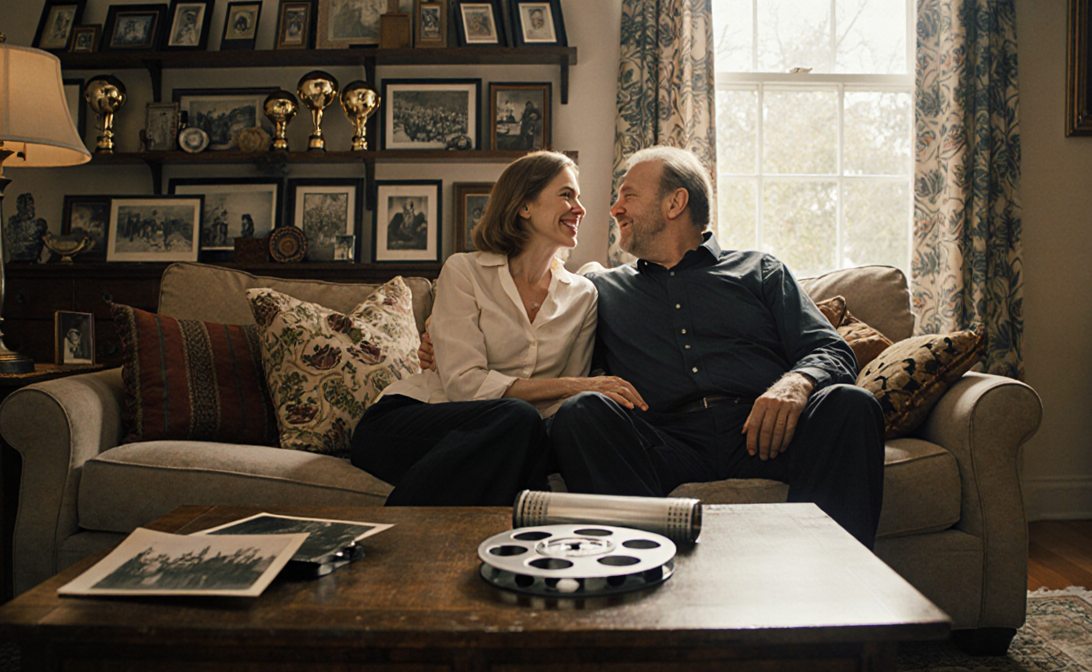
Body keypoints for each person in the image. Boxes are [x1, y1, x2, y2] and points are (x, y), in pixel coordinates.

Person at [420, 147, 884, 547]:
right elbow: (546, 341)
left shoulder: (760, 271)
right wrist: (439, 342)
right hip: (666, 441)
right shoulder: (599, 288)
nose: (614, 209)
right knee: (583, 414)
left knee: (849, 403)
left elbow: (831, 349)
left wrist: (797, 384)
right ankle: (644, 574)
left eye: (628, 196)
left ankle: (835, 596)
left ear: (675, 203)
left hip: (766, 432)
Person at [349, 151, 646, 507]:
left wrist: (578, 393)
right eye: (566, 195)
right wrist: (580, 385)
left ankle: (413, 542)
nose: (579, 208)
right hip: (411, 422)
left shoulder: (582, 295)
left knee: (525, 430)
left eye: (577, 197)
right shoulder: (465, 271)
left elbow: (561, 408)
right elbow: (464, 384)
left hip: (510, 437)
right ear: (524, 206)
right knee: (518, 420)